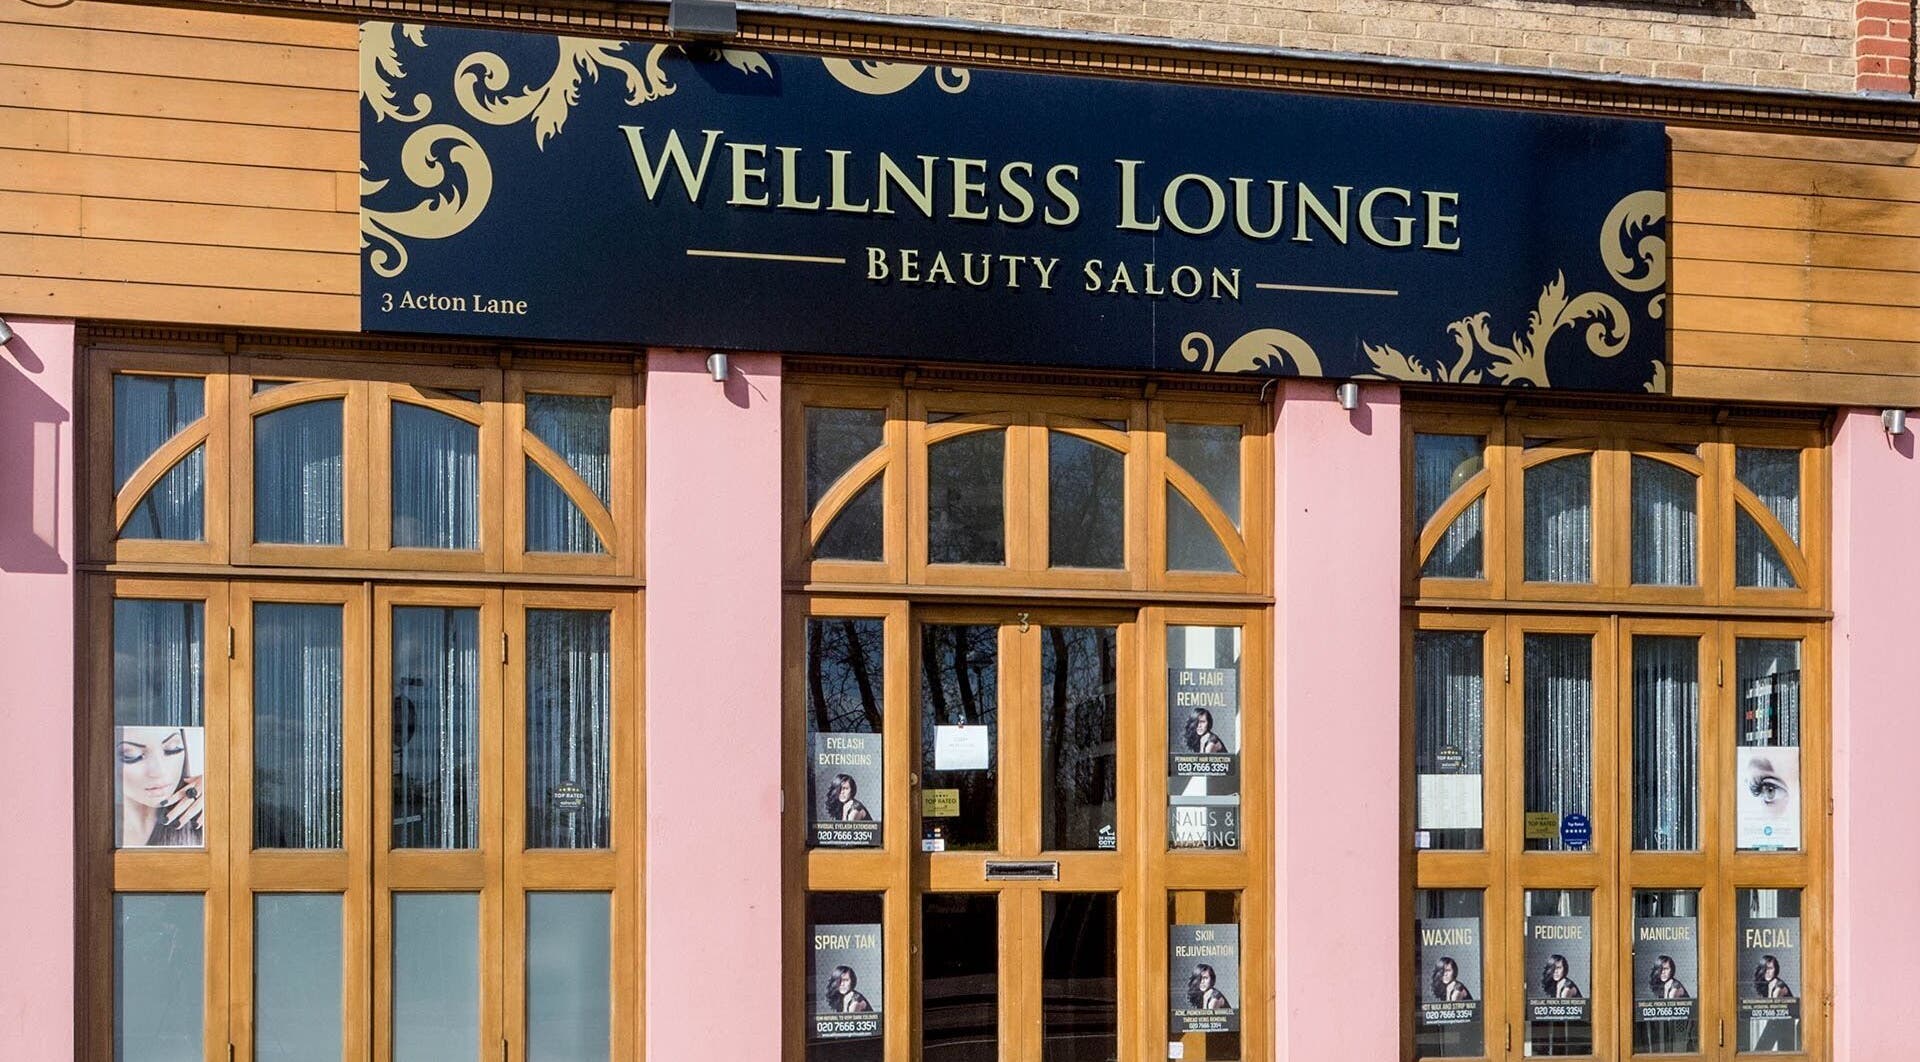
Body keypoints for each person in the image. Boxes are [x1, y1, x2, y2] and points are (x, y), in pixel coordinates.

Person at [117, 725, 204, 848]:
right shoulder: (88, 827)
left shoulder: (206, 812)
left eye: (172, 749)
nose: (159, 771)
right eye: (132, 756)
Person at [1752, 954, 1797, 1051]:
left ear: (1775, 970)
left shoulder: (1779, 986)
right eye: (1765, 969)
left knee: (1760, 1052)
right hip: (1778, 1023)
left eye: (1771, 968)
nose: (1767, 972)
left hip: (1784, 1024)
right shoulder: (1768, 984)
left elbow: (1772, 1007)